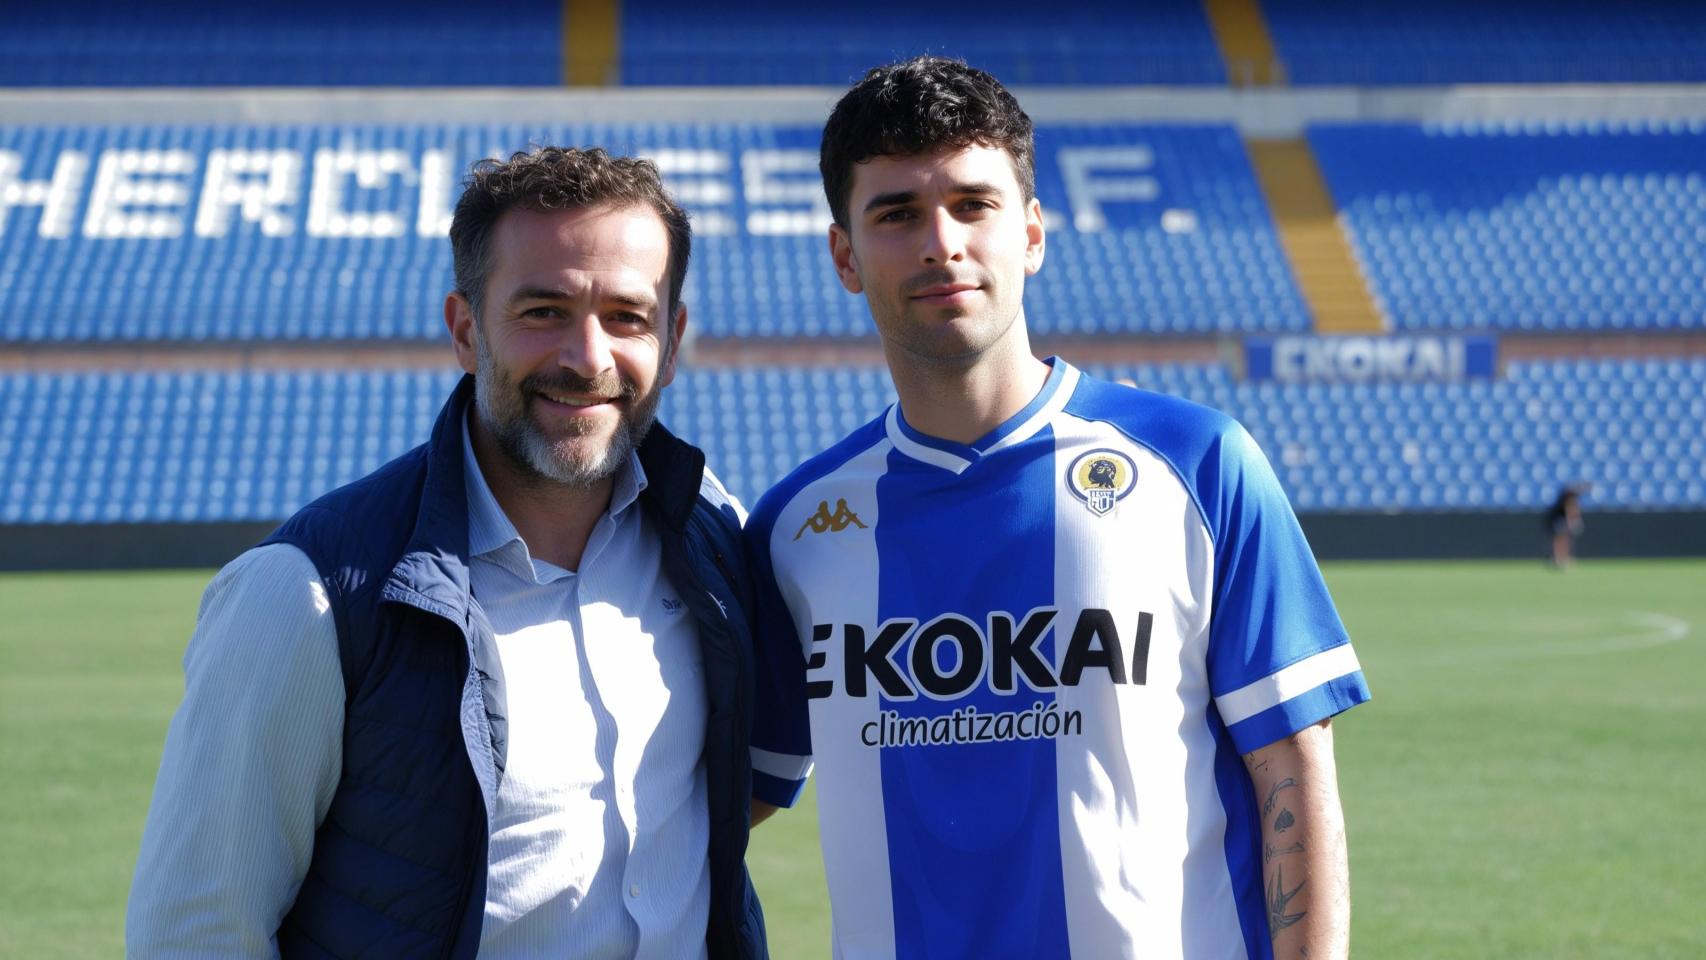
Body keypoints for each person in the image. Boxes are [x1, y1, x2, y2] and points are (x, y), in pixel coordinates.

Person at [744, 58, 1371, 959]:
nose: (940, 242)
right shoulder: (797, 526)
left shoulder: (1196, 464)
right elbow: (735, 801)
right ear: (844, 255)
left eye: (973, 204)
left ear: (1032, 233)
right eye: (895, 214)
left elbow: (1293, 772)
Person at [128, 147, 768, 959]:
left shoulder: (712, 540)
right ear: (466, 331)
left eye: (627, 317)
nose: (588, 357)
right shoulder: (304, 595)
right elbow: (196, 932)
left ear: (672, 341)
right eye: (543, 311)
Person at [1546, 483, 1586, 567]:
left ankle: (1564, 558)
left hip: (1561, 518)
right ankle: (1558, 559)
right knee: (1560, 538)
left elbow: (1574, 511)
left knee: (1566, 539)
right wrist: (1572, 522)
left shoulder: (1573, 498)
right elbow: (1569, 510)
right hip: (1556, 518)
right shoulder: (1567, 497)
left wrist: (1575, 521)